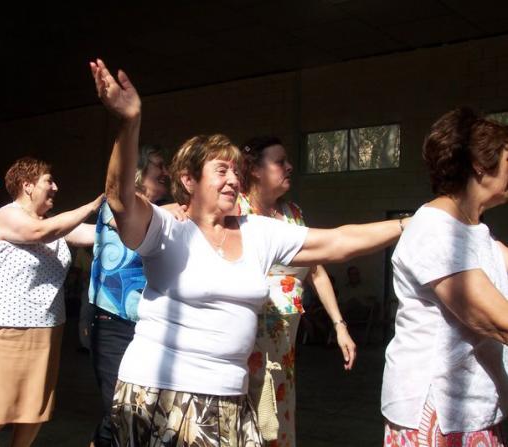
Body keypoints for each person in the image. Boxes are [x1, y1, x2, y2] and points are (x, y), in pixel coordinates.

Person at [90, 59, 406, 446]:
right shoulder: (167, 229)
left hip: (229, 398)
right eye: (221, 170)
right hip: (159, 393)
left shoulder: (259, 232)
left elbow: (338, 242)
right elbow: (120, 198)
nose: (233, 180)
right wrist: (130, 123)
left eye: (236, 172)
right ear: (188, 179)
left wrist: (405, 225)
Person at [382, 107, 508, 446]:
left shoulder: (478, 234)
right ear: (480, 164)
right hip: (439, 412)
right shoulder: (435, 229)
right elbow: (496, 320)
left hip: (476, 410)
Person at [0, 156, 102, 447]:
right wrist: (92, 206)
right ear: (27, 185)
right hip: (5, 328)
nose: (55, 187)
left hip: (46, 327)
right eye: (49, 181)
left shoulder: (54, 224)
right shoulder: (7, 215)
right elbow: (38, 233)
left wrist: (130, 218)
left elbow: (94, 233)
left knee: (36, 407)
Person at [238, 135, 356, 446]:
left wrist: (339, 325)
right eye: (280, 162)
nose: (290, 167)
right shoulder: (236, 210)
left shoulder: (293, 214)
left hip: (285, 351)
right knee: (251, 427)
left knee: (279, 423)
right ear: (255, 170)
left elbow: (317, 271)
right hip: (247, 349)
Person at [88, 144, 176, 447]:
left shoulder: (167, 211)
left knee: (144, 406)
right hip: (113, 319)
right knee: (118, 406)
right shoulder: (116, 204)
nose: (165, 171)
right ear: (139, 171)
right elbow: (130, 217)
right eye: (158, 165)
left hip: (151, 322)